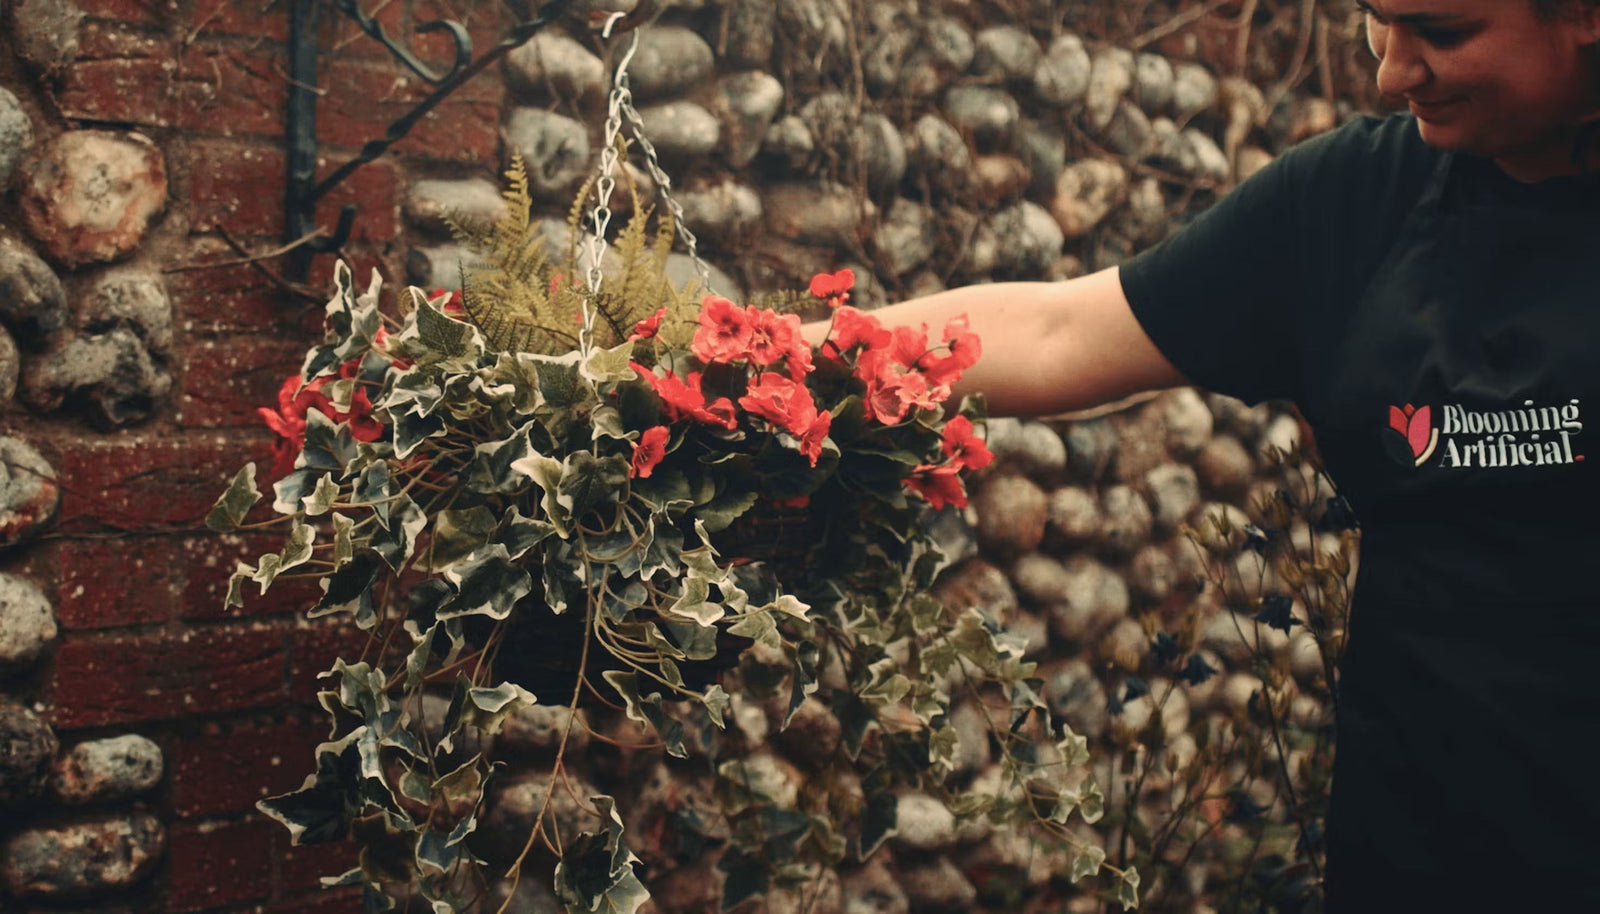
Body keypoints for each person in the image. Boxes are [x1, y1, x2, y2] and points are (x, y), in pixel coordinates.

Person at [831, 0, 1600, 909]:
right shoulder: (1354, 202)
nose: (1393, 72)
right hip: (1414, 856)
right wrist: (769, 361)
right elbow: (1055, 330)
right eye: (1375, 24)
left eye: (1440, 31)